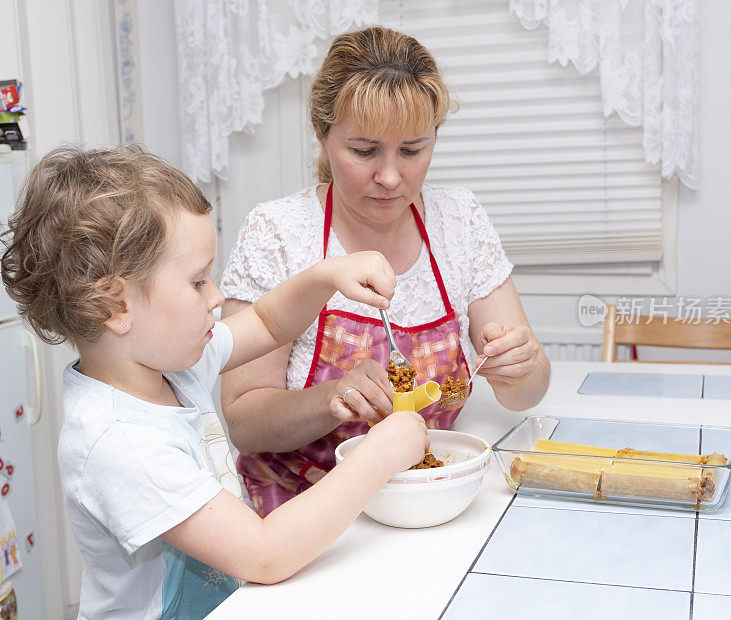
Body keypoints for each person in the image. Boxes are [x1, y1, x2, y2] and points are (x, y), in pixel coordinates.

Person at [0, 146, 428, 619]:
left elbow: (266, 323)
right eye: (198, 280)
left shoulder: (171, 366)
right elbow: (265, 553)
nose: (218, 295)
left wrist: (327, 275)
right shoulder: (119, 442)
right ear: (114, 307)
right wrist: (381, 453)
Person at [220, 25, 551, 517]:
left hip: (428, 496)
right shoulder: (279, 232)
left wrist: (521, 367)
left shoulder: (458, 219)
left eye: (413, 150)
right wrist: (331, 397)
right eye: (364, 151)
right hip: (301, 509)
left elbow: (528, 392)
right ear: (323, 136)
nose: (391, 177)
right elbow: (244, 420)